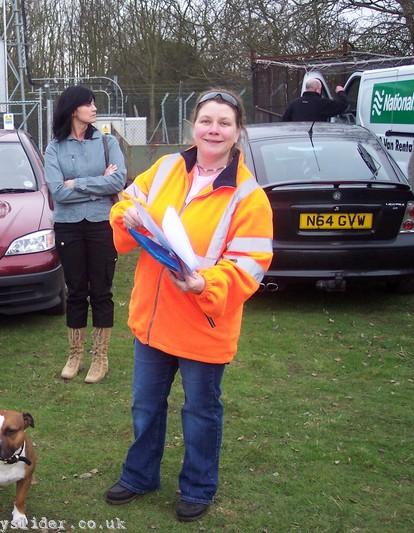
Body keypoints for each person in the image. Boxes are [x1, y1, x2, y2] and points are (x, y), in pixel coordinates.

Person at [105, 90, 273, 522]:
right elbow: (128, 201)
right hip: (153, 321)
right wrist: (128, 217)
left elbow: (250, 266)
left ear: (238, 132)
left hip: (204, 323)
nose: (213, 129)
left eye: (224, 123)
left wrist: (205, 283)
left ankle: (197, 487)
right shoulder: (165, 168)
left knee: (200, 411)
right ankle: (140, 475)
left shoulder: (249, 197)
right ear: (193, 126)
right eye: (206, 120)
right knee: (145, 406)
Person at [44, 85, 126, 383]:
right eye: (88, 103)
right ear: (73, 109)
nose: (94, 108)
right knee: (76, 290)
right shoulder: (54, 147)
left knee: (101, 291)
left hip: (101, 224)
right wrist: (95, 184)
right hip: (68, 226)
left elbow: (117, 180)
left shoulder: (107, 143)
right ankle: (75, 354)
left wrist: (75, 184)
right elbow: (57, 193)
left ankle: (99, 358)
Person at [282, 78, 348, 122]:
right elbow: (343, 105)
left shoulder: (294, 103)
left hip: (299, 138)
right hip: (317, 138)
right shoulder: (323, 103)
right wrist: (340, 92)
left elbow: (284, 121)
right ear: (318, 89)